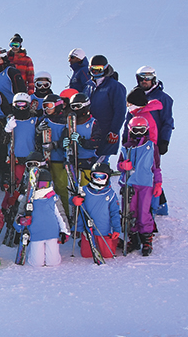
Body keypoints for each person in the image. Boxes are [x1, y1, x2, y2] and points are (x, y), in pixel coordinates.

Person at [131, 66, 174, 216]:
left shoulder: (163, 98)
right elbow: (129, 120)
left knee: (152, 175)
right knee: (138, 174)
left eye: (148, 78)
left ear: (153, 78)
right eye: (142, 78)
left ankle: (157, 207)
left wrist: (164, 141)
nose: (145, 81)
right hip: (136, 142)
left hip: (153, 143)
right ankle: (139, 204)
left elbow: (168, 121)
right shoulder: (135, 95)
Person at [117, 116, 162, 256]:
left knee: (143, 212)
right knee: (130, 211)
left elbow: (156, 167)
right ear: (131, 130)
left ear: (146, 130)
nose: (138, 133)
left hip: (145, 184)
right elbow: (119, 165)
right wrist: (123, 166)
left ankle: (146, 239)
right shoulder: (126, 147)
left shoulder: (151, 147)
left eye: (141, 130)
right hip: (129, 184)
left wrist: (158, 183)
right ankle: (134, 237)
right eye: (135, 130)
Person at [14, 169, 69, 267]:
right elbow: (18, 216)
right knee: (37, 263)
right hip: (36, 234)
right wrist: (21, 221)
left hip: (52, 233)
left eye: (45, 184)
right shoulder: (28, 199)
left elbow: (60, 215)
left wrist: (65, 231)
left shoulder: (53, 198)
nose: (43, 187)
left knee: (53, 262)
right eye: (40, 184)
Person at [71, 163, 121, 259]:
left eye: (102, 176)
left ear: (107, 177)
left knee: (107, 255)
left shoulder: (110, 194)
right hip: (88, 229)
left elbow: (115, 213)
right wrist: (74, 200)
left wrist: (116, 229)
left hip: (104, 230)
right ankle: (84, 241)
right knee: (86, 255)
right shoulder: (84, 190)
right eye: (96, 175)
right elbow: (73, 200)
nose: (98, 179)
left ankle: (115, 241)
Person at [86, 55, 127, 159]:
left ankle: (104, 170)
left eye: (98, 70)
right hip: (90, 132)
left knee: (101, 161)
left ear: (105, 68)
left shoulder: (114, 87)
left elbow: (120, 111)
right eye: (93, 70)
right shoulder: (88, 86)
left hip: (106, 132)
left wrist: (114, 131)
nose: (95, 73)